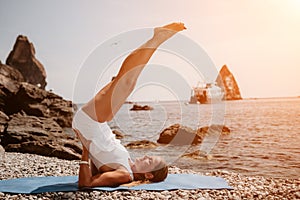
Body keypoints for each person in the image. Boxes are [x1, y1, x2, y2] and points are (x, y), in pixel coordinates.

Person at [72, 22, 186, 188]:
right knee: (128, 82)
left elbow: (86, 184)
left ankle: (158, 38)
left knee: (126, 81)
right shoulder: (127, 164)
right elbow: (99, 168)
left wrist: (85, 150)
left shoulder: (125, 174)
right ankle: (158, 39)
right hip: (96, 123)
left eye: (149, 160)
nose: (146, 156)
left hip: (90, 123)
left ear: (148, 174)